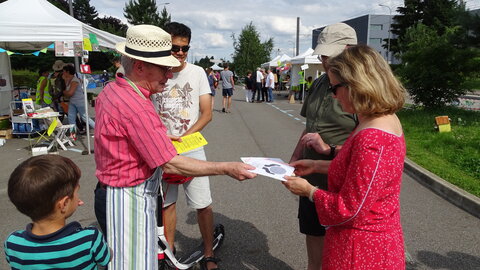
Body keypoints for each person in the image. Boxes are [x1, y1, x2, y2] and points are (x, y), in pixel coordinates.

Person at [94, 24, 256, 270]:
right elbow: (168, 161)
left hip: (114, 191)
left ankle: (190, 252)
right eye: (163, 68)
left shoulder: (114, 89)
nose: (169, 75)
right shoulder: (136, 106)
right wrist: (227, 168)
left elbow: (132, 136)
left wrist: (161, 138)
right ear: (139, 66)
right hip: (126, 196)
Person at [284, 44, 407, 269]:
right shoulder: (379, 119)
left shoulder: (372, 138)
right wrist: (316, 166)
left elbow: (351, 209)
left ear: (356, 84)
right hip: (370, 243)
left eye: (334, 88)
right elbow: (362, 174)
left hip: (360, 251)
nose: (333, 95)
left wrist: (308, 190)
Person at [288, 22, 358, 270]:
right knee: (313, 233)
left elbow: (370, 143)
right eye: (322, 53)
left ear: (350, 49)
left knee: (339, 243)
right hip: (311, 177)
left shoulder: (361, 90)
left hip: (341, 183)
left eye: (330, 53)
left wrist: (329, 148)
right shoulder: (318, 84)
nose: (324, 59)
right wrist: (292, 161)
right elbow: (309, 128)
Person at [151, 22, 218, 270]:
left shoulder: (198, 72)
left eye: (184, 48)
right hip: (162, 148)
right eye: (175, 47)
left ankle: (209, 252)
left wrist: (183, 139)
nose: (180, 53)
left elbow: (207, 113)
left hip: (190, 146)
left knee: (202, 203)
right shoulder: (155, 71)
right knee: (167, 203)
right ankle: (169, 250)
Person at [5, 155, 111, 269]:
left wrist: (71, 202)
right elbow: (106, 258)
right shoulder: (89, 239)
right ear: (64, 203)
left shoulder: (13, 243)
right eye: (76, 192)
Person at [62, 64, 95, 131]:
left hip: (79, 101)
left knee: (85, 117)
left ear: (68, 72)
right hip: (72, 102)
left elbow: (70, 93)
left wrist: (63, 92)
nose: (63, 73)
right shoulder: (68, 79)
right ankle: (73, 135)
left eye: (64, 71)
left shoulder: (75, 80)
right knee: (71, 118)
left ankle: (98, 129)